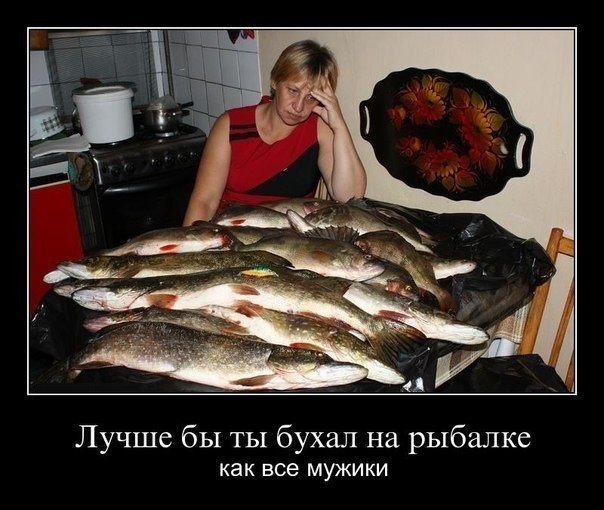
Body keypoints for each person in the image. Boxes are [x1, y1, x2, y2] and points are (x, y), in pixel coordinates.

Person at [183, 39, 367, 225]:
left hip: (289, 236)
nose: (298, 106)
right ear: (275, 81)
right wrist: (188, 242)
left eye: (311, 98)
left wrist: (339, 125)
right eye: (293, 90)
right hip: (231, 231)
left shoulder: (318, 129)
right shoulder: (231, 126)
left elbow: (350, 197)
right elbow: (204, 202)